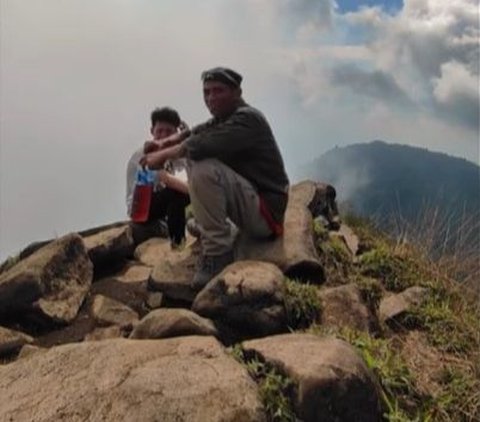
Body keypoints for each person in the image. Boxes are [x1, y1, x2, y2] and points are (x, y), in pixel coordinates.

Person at [141, 67, 289, 287]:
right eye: (206, 92)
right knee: (199, 163)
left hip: (266, 214)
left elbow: (199, 144)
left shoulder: (247, 119)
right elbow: (193, 132)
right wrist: (162, 144)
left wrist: (162, 155)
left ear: (237, 92)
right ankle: (217, 230)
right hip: (251, 203)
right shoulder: (225, 118)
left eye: (218, 91)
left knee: (202, 166)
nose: (211, 98)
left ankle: (217, 252)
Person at [126, 107, 190, 248]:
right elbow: (168, 181)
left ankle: (179, 240)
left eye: (169, 131)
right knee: (177, 193)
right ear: (152, 131)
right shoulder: (143, 155)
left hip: (163, 206)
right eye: (160, 131)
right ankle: (178, 243)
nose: (164, 136)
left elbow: (187, 180)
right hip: (141, 207)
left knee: (180, 195)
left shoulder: (179, 156)